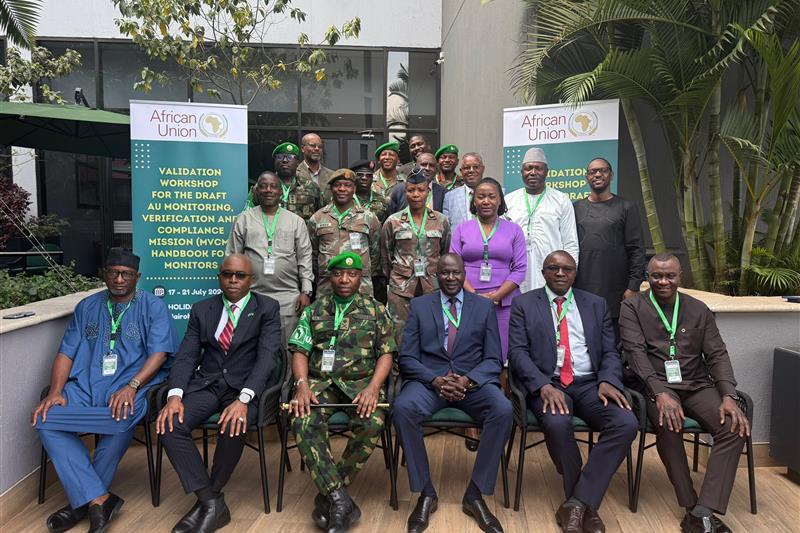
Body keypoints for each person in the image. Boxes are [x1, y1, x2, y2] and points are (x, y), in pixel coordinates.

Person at [32, 248, 176, 533]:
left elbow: (159, 354)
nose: (119, 279)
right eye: (113, 273)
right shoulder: (87, 306)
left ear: (137, 277)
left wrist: (132, 386)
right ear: (104, 274)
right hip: (86, 384)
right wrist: (56, 391)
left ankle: (81, 502)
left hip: (130, 386)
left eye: (126, 274)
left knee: (120, 416)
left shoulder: (153, 306)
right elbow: (66, 352)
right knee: (45, 418)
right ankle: (98, 498)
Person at [508, 251, 638, 533]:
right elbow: (517, 353)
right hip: (549, 384)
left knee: (626, 422)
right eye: (553, 268)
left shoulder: (596, 304)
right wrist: (542, 386)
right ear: (543, 272)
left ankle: (577, 502)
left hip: (590, 384)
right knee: (557, 422)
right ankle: (583, 503)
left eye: (567, 269)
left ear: (575, 273)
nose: (560, 273)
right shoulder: (524, 304)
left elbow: (610, 351)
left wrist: (608, 380)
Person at [620, 254, 749, 533]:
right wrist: (659, 392)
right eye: (656, 276)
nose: (663, 281)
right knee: (670, 423)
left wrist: (728, 395)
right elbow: (635, 354)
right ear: (648, 277)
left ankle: (702, 511)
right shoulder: (632, 307)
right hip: (654, 385)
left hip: (696, 385)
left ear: (680, 277)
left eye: (670, 276)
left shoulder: (698, 309)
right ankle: (690, 505)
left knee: (733, 426)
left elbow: (717, 354)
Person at [157, 254, 282, 533]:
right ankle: (210, 501)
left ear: (251, 280)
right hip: (208, 384)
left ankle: (208, 501)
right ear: (219, 278)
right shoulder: (202, 309)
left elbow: (267, 358)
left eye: (240, 276)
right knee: (170, 424)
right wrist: (174, 396)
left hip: (246, 387)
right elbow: (187, 356)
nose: (233, 280)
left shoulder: (267, 308)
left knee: (234, 423)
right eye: (227, 274)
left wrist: (244, 399)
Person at [393, 254, 512, 533]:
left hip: (471, 385)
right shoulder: (420, 306)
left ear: (464, 274)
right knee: (403, 407)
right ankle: (426, 492)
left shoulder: (483, 307)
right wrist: (434, 380)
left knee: (503, 410)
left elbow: (494, 359)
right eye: (444, 273)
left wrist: (468, 380)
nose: (450, 278)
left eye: (455, 273)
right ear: (436, 275)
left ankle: (475, 494)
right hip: (430, 383)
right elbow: (407, 357)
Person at [288, 251, 395, 533]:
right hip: (321, 383)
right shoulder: (314, 310)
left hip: (361, 384)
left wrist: (374, 387)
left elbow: (386, 354)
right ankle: (339, 499)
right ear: (330, 278)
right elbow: (300, 350)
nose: (344, 279)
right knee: (302, 419)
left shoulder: (376, 310)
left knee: (372, 421)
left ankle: (330, 495)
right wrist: (301, 385)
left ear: (361, 278)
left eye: (351, 274)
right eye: (338, 274)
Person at [226, 171, 313, 345]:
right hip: (252, 297)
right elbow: (233, 258)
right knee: (253, 349)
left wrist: (306, 291)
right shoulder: (243, 219)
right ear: (256, 190)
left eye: (273, 186)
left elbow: (305, 258)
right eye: (263, 186)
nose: (268, 190)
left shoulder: (296, 221)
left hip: (288, 299)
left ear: (280, 191)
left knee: (287, 350)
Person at [450, 177, 527, 362]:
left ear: (500, 200)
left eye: (491, 196)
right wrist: (474, 296)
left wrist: (496, 296)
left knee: (501, 352)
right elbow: (454, 266)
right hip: (467, 300)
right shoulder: (461, 229)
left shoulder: (514, 230)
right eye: (481, 196)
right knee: (469, 351)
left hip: (503, 302)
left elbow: (520, 269)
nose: (486, 201)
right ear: (474, 201)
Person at [573, 157, 645, 339]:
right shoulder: (575, 208)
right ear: (586, 177)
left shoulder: (626, 207)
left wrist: (633, 287)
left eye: (603, 170)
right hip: (581, 289)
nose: (597, 174)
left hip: (616, 291)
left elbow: (636, 249)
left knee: (612, 344)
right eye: (592, 172)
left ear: (611, 175)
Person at [381, 171, 451, 345]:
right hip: (401, 288)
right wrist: (398, 276)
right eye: (411, 190)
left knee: (431, 332)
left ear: (428, 192)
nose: (416, 194)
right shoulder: (393, 221)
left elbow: (444, 252)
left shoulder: (441, 221)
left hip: (431, 286)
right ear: (405, 192)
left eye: (420, 190)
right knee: (400, 335)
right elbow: (386, 256)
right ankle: (401, 364)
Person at [505, 147, 579, 293]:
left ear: (546, 172)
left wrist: (567, 274)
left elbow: (570, 242)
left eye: (538, 168)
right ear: (521, 172)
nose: (533, 172)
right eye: (528, 168)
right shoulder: (509, 200)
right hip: (515, 271)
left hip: (552, 272)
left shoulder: (561, 200)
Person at [308, 168, 382, 298]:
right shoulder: (317, 218)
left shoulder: (369, 217)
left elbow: (375, 253)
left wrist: (362, 270)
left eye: (347, 185)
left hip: (360, 286)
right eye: (337, 185)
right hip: (327, 286)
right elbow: (313, 253)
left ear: (354, 189)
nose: (342, 189)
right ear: (331, 189)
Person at [273, 141, 321, 220]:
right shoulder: (264, 187)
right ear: (274, 161)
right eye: (280, 157)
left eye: (290, 157)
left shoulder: (311, 187)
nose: (285, 160)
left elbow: (321, 215)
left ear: (298, 163)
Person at [442, 152, 485, 228]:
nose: (471, 170)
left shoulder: (495, 194)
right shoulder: (449, 197)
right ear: (461, 171)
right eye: (467, 168)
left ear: (483, 169)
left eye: (475, 167)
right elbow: (446, 228)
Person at [296, 133, 334, 197]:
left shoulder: (331, 175)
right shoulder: (294, 174)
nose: (317, 149)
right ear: (302, 148)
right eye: (312, 146)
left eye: (320, 146)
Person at [352, 159, 389, 224]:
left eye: (368, 175)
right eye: (360, 174)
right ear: (353, 177)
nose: (364, 178)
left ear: (372, 178)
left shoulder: (382, 201)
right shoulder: (346, 199)